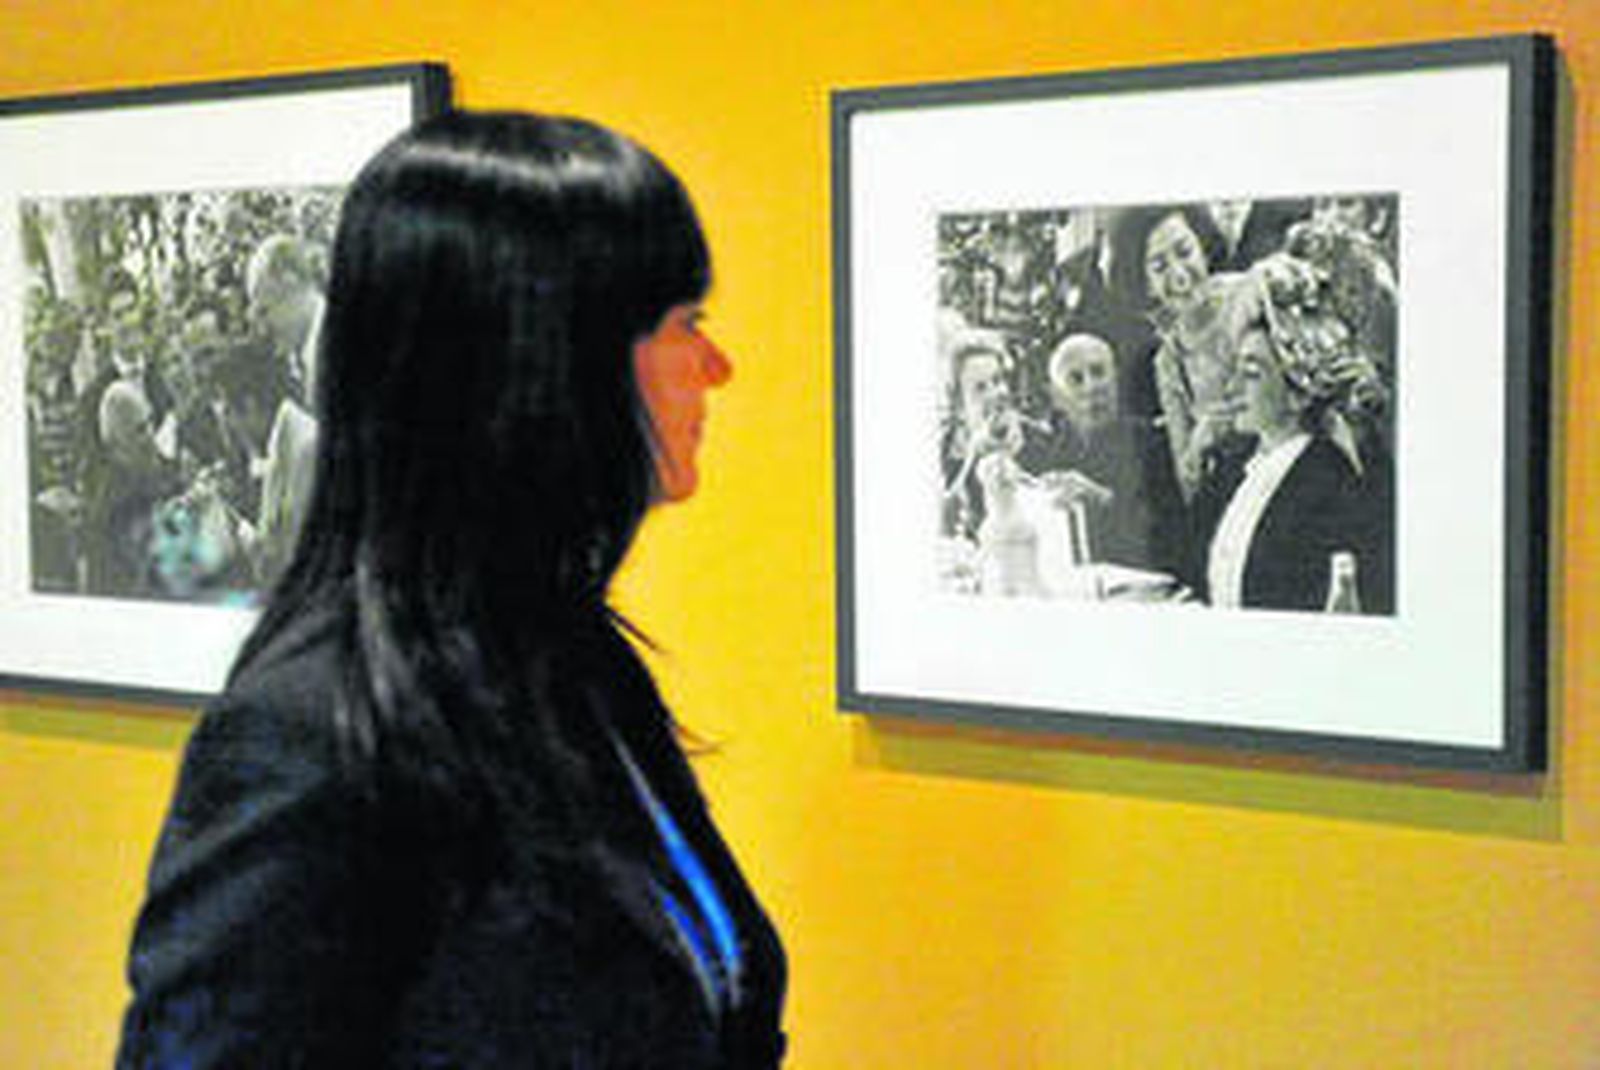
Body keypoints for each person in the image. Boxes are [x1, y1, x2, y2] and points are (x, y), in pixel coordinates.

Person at [116, 111, 787, 1067]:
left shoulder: (577, 661)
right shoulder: (309, 734)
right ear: (552, 362)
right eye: (686, 326)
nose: (716, 368)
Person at [1187, 254, 1393, 613]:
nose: (1232, 386)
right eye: (1236, 369)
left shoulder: (1329, 486)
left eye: (1251, 373)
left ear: (1298, 393)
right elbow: (1184, 569)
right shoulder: (1234, 467)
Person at [1019, 332, 1183, 573]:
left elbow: (1171, 540)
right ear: (1056, 397)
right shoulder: (1050, 454)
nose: (1092, 387)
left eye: (1099, 372)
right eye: (1076, 379)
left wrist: (1102, 500)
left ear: (1115, 378)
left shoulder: (1152, 443)